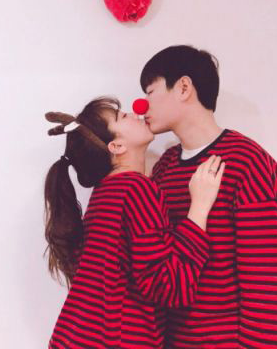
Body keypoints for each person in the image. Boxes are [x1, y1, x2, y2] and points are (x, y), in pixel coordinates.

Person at [140, 45, 277, 348]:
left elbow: (268, 285)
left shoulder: (248, 162)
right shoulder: (165, 167)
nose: (143, 106)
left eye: (150, 92)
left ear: (184, 87)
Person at [43, 96, 225, 348]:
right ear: (116, 146)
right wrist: (200, 206)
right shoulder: (136, 190)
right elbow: (170, 287)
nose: (134, 112)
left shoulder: (106, 191)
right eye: (122, 116)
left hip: (76, 337)